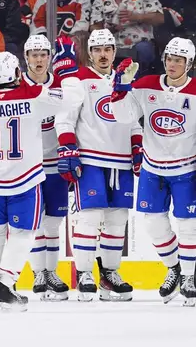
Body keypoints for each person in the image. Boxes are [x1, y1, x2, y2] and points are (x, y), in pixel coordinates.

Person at [0, 51, 75, 312]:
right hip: (25, 181)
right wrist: (67, 72)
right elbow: (72, 100)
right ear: (18, 73)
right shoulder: (33, 98)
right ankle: (5, 283)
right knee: (23, 233)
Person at [109, 37, 196, 306]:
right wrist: (121, 88)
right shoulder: (146, 85)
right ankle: (175, 268)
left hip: (187, 168)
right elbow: (123, 116)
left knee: (190, 226)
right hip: (153, 168)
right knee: (152, 223)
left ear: (189, 64)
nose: (173, 64)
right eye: (170, 59)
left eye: (179, 60)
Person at [52, 29, 142, 302]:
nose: (103, 55)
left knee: (117, 221)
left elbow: (133, 120)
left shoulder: (125, 80)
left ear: (115, 52)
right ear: (89, 53)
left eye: (108, 49)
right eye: (97, 49)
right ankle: (83, 273)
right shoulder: (78, 80)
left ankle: (109, 275)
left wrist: (137, 145)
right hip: (91, 158)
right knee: (89, 217)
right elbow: (64, 118)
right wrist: (67, 147)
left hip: (121, 161)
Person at [18, 35, 71, 302]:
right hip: (28, 167)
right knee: (35, 222)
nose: (39, 60)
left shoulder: (61, 84)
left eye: (43, 55)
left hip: (56, 164)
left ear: (50, 57)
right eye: (34, 55)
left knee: (53, 223)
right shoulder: (17, 86)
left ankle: (51, 271)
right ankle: (39, 272)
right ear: (25, 57)